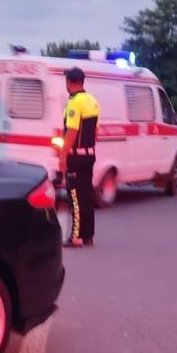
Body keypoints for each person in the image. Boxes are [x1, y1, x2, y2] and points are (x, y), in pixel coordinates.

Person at [59, 67, 100, 247]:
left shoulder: (74, 102)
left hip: (75, 157)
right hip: (90, 155)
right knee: (87, 195)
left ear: (70, 82)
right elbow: (96, 131)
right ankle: (88, 235)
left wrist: (63, 155)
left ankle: (76, 237)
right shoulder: (92, 101)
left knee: (75, 196)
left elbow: (72, 131)